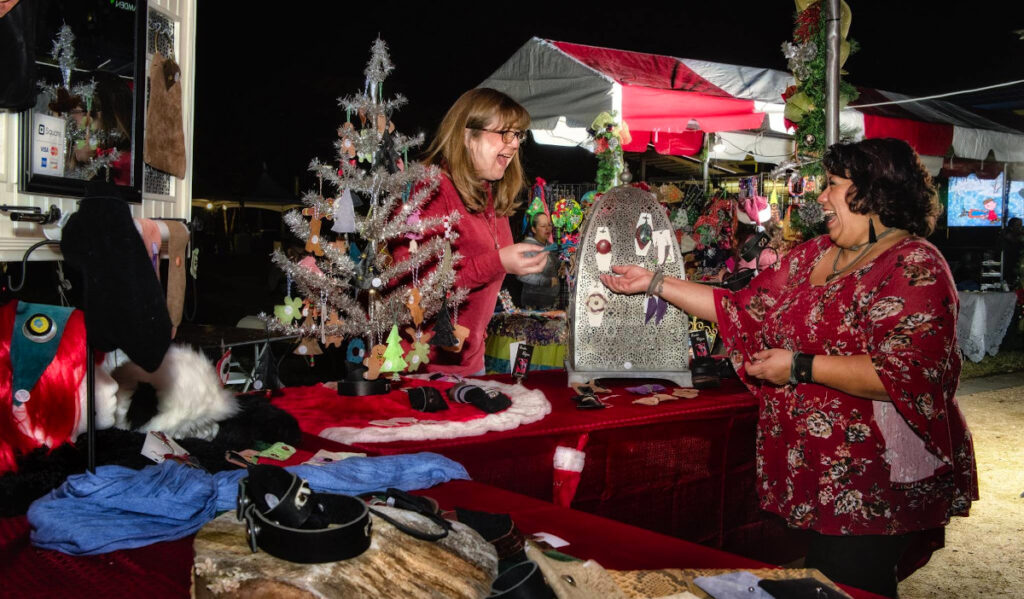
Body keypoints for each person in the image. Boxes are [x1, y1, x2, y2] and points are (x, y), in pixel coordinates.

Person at [601, 138, 976, 598]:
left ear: (873, 193)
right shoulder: (817, 253)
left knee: (849, 583)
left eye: (833, 185)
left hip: (875, 474)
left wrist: (799, 367)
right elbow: (741, 307)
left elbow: (903, 373)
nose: (821, 197)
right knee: (828, 581)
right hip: (818, 470)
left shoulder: (916, 264)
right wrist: (653, 282)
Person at [394, 88, 547, 376]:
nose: (514, 144)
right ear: (467, 135)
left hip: (470, 364)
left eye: (518, 135)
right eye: (504, 133)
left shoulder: (489, 195)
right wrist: (499, 261)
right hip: (422, 368)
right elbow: (419, 284)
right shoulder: (431, 188)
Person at [517, 212, 561, 309]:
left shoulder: (550, 246)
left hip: (551, 303)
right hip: (534, 304)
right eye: (543, 226)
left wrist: (562, 266)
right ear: (533, 229)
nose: (547, 229)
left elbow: (554, 266)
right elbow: (521, 275)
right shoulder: (527, 247)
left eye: (549, 225)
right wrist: (546, 281)